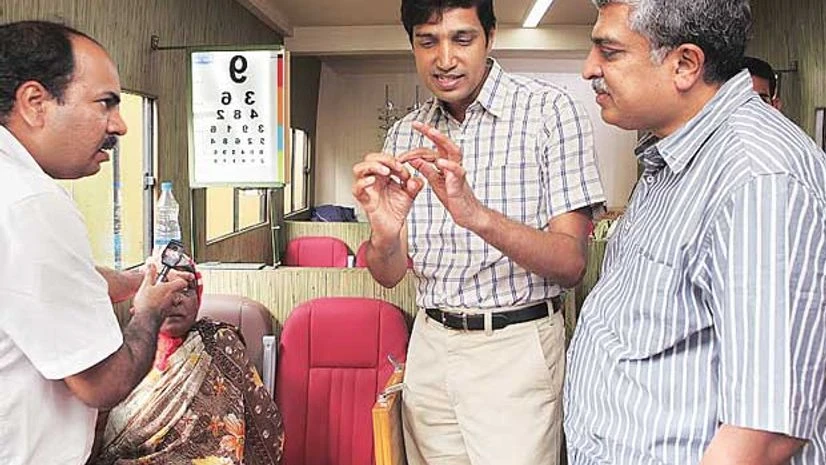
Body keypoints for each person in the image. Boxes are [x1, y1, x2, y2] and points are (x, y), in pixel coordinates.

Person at [565, 1, 826, 464]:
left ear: (685, 64)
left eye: (609, 52)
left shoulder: (758, 179)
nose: (590, 69)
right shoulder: (669, 153)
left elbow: (764, 432)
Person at [352, 0, 605, 463]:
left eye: (461, 39)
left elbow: (571, 263)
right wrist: (384, 235)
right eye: (427, 41)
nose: (444, 59)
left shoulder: (550, 112)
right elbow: (387, 275)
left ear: (491, 36)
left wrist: (475, 214)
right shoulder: (406, 133)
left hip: (516, 349)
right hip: (429, 347)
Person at [0, 20, 190, 464]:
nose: (120, 126)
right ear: (35, 102)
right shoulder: (32, 203)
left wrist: (137, 278)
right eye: (105, 103)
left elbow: (44, 285)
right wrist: (150, 308)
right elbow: (104, 383)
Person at [90, 262, 284, 465]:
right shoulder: (123, 353)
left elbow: (262, 425)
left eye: (186, 290)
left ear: (198, 300)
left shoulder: (220, 342)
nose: (176, 299)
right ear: (141, 301)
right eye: (163, 288)